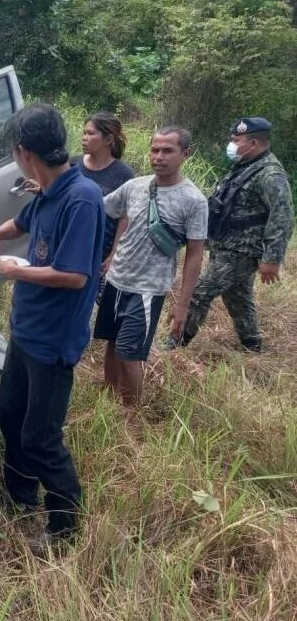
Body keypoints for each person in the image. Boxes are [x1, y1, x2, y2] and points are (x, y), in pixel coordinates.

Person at [0, 104, 105, 548]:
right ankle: (20, 496)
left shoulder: (81, 198)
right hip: (25, 331)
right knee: (9, 414)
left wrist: (15, 272)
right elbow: (21, 222)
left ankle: (64, 529)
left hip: (54, 341)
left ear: (22, 152)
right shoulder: (49, 192)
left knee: (42, 438)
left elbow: (75, 276)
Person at [94, 127, 207, 405]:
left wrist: (182, 306)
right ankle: (108, 405)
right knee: (111, 343)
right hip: (116, 279)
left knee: (129, 354)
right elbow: (100, 207)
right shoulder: (135, 186)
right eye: (154, 149)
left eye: (167, 150)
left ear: (185, 154)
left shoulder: (193, 200)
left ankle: (131, 415)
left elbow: (195, 254)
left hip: (147, 289)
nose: (158, 156)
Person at [172, 117, 293, 352]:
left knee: (199, 293)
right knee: (237, 297)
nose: (232, 144)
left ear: (254, 143)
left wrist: (272, 259)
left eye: (236, 140)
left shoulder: (270, 174)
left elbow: (283, 216)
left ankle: (175, 345)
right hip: (226, 246)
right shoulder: (246, 167)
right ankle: (252, 345)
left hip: (242, 251)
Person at [75, 112, 135, 282]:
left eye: (90, 133)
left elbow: (125, 219)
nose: (84, 138)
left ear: (108, 140)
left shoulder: (124, 174)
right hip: (70, 245)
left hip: (100, 253)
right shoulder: (73, 164)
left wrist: (113, 256)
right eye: (84, 133)